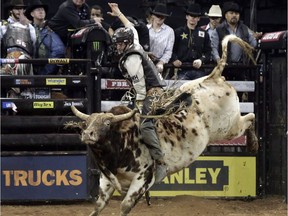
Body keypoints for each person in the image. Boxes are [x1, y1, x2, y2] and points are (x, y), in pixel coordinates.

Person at [107, 2, 168, 184]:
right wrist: (118, 13)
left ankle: (160, 162)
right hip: (151, 88)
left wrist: (140, 107)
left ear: (125, 44)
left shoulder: (131, 59)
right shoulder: (134, 42)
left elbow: (140, 87)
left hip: (152, 92)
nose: (117, 47)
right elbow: (130, 27)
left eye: (119, 44)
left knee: (144, 125)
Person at [171, 3, 212, 80]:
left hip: (199, 70)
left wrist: (201, 60)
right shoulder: (178, 32)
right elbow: (171, 50)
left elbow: (208, 52)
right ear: (187, 16)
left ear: (198, 18)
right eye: (191, 15)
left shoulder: (204, 33)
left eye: (195, 16)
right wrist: (174, 59)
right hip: (182, 70)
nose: (193, 18)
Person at [24, 0, 66, 75]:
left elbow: (59, 50)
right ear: (32, 14)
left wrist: (44, 73)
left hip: (43, 73)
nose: (41, 11)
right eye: (38, 9)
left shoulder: (49, 30)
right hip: (29, 71)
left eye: (42, 9)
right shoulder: (27, 29)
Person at [0, 0, 36, 76]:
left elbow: (34, 45)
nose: (19, 11)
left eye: (21, 9)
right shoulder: (2, 25)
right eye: (17, 8)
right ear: (11, 10)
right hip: (8, 59)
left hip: (26, 60)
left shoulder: (30, 27)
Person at [147, 3, 174, 73]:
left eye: (162, 16)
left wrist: (161, 62)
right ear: (153, 16)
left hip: (161, 64)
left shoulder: (169, 31)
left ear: (165, 17)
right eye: (157, 15)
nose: (160, 18)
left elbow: (168, 51)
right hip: (144, 61)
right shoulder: (145, 29)